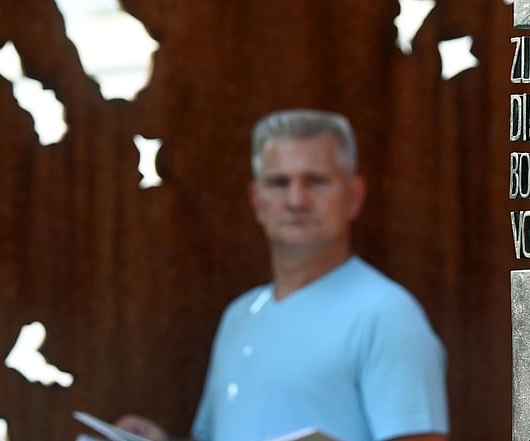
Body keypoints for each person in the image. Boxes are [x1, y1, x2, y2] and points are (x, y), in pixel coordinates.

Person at [117, 109, 449, 441]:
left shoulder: (388, 315)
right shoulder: (239, 317)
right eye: (279, 183)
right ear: (257, 201)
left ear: (353, 196)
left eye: (316, 181)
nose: (296, 199)